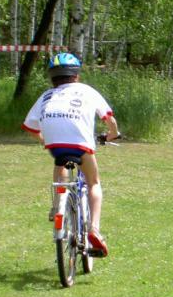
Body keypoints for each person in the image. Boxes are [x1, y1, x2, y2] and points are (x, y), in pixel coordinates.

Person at [21, 52, 120, 256]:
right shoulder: (86, 91)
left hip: (55, 145)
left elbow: (30, 126)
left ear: (52, 77)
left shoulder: (46, 95)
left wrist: (44, 140)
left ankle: (58, 205)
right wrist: (113, 134)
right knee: (93, 183)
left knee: (61, 161)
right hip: (81, 144)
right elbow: (109, 119)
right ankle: (94, 229)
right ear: (76, 75)